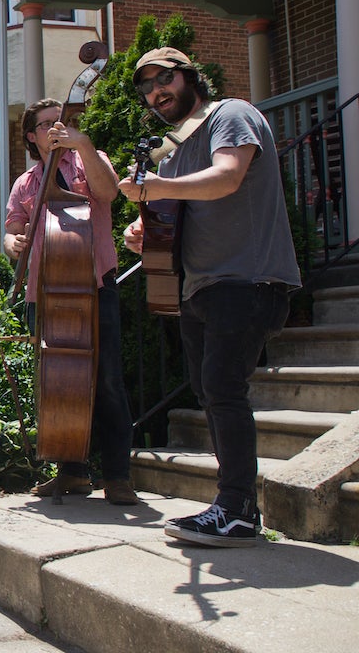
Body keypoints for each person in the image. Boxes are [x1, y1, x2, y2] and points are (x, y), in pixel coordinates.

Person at [119, 46, 300, 547]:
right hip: (201, 285)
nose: (156, 91)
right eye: (146, 86)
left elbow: (227, 177)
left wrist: (155, 186)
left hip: (248, 278)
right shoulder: (176, 151)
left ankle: (238, 509)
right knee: (210, 391)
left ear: (189, 77)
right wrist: (143, 228)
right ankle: (233, 505)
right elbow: (176, 211)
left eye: (164, 78)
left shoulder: (231, 114)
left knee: (222, 388)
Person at [4, 98, 137, 506]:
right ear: (32, 135)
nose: (55, 129)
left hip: (94, 285)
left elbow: (109, 193)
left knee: (108, 381)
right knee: (58, 384)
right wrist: (15, 243)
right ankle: (72, 473)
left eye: (60, 122)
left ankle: (117, 476)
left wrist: (82, 143)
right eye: (46, 125)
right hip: (44, 292)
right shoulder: (27, 183)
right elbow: (10, 232)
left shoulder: (89, 160)